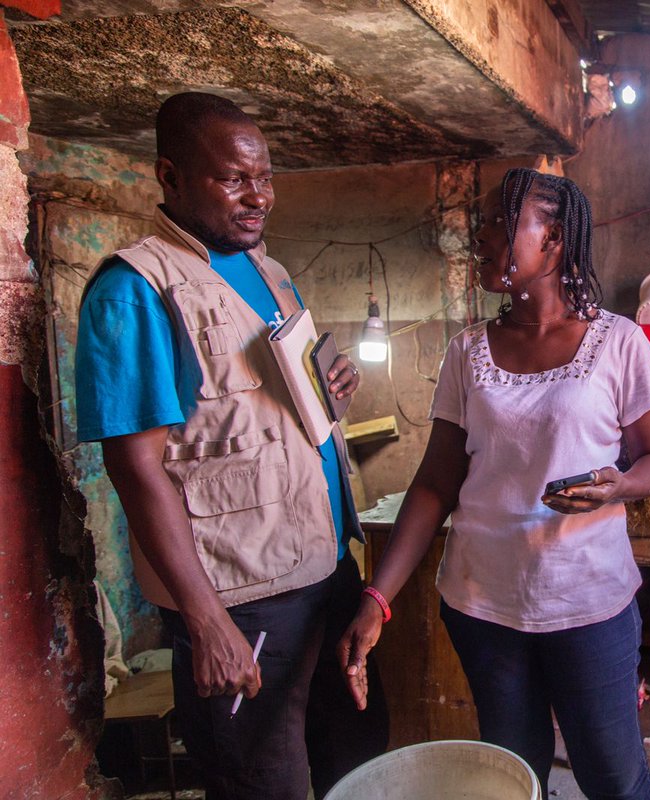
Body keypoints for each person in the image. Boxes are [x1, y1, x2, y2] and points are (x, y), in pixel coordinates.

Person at [74, 92, 388, 799]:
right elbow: (134, 466)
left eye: (265, 176)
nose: (259, 198)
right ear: (171, 175)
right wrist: (205, 620)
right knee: (260, 782)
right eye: (234, 179)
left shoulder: (268, 272)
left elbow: (250, 419)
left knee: (355, 759)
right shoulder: (136, 290)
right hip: (243, 596)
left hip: (321, 568)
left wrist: (326, 397)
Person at [337, 167, 650, 800]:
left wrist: (617, 486)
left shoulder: (620, 341)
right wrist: (377, 599)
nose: (480, 236)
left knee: (614, 778)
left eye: (499, 221)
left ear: (553, 241)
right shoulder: (467, 352)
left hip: (588, 604)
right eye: (483, 222)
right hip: (484, 606)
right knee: (511, 782)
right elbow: (435, 484)